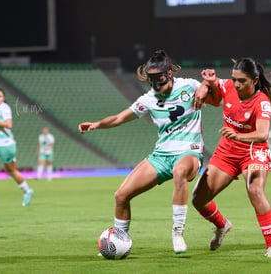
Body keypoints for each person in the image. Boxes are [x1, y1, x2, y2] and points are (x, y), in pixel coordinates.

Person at [78, 50, 204, 254]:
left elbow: (216, 93)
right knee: (121, 195)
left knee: (179, 172)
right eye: (152, 80)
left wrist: (207, 86)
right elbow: (119, 118)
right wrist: (96, 124)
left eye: (160, 79)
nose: (156, 85)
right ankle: (119, 242)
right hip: (161, 155)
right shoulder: (148, 99)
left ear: (169, 74)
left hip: (189, 151)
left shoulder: (190, 85)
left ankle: (177, 232)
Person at [192, 58, 271, 257]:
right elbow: (214, 97)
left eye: (242, 81)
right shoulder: (229, 85)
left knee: (255, 190)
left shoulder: (262, 102)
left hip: (254, 151)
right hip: (227, 152)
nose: (237, 84)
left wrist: (239, 135)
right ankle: (222, 226)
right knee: (198, 199)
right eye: (235, 79)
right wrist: (205, 85)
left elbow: (262, 134)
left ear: (255, 80)